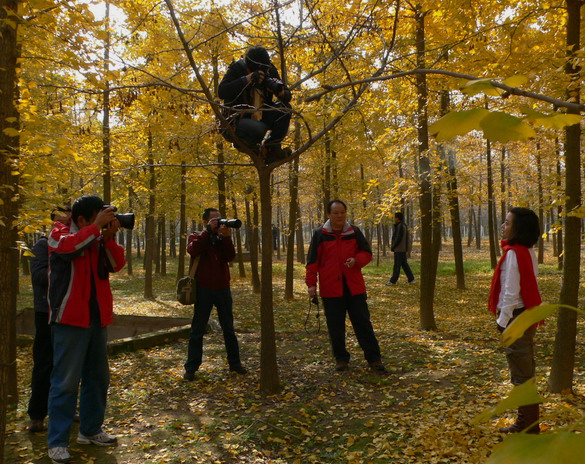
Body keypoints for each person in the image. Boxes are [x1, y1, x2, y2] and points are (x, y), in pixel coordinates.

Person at [46, 195, 126, 464]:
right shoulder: (61, 233)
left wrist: (109, 238)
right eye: (100, 216)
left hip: (97, 319)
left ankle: (90, 430)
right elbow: (65, 249)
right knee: (65, 383)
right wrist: (94, 230)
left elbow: (117, 265)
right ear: (82, 219)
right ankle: (57, 441)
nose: (105, 220)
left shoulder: (96, 238)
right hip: (70, 319)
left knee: (97, 378)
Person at [305, 200, 385, 372]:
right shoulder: (320, 234)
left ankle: (374, 359)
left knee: (363, 324)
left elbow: (366, 253)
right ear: (328, 214)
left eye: (342, 212)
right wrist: (311, 284)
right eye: (336, 213)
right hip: (331, 289)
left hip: (354, 288)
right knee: (335, 327)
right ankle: (341, 359)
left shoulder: (354, 232)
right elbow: (312, 262)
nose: (339, 216)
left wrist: (356, 261)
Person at [488, 207, 542, 434]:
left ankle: (527, 426)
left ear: (519, 229)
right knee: (525, 369)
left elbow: (511, 292)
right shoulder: (526, 251)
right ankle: (528, 423)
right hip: (527, 316)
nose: (503, 225)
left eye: (508, 222)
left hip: (516, 318)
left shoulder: (513, 253)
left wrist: (503, 322)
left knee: (522, 374)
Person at [183, 208, 246, 380]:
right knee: (197, 330)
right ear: (205, 221)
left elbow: (230, 256)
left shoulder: (222, 238)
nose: (219, 222)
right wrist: (208, 232)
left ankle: (235, 364)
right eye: (214, 220)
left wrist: (225, 237)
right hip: (203, 289)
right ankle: (191, 368)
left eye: (220, 219)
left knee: (229, 328)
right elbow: (193, 250)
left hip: (222, 289)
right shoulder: (196, 236)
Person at [27, 207, 71, 433]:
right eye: (61, 215)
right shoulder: (42, 245)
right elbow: (37, 276)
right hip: (45, 313)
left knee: (67, 365)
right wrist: (61, 268)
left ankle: (64, 410)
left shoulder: (73, 244)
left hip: (67, 312)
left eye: (69, 214)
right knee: (44, 364)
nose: (66, 218)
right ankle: (37, 415)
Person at [218, 46, 292, 164]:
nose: (264, 73)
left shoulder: (270, 70)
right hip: (237, 120)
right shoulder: (237, 68)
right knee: (258, 129)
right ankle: (249, 146)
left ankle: (271, 149)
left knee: (285, 109)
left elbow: (288, 96)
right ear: (249, 68)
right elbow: (222, 92)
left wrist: (278, 90)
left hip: (262, 115)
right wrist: (247, 79)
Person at [385, 212, 415, 285]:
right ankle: (411, 279)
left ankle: (393, 281)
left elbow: (398, 238)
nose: (394, 219)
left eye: (395, 217)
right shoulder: (403, 225)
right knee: (404, 264)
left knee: (397, 265)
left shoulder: (400, 226)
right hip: (402, 249)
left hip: (399, 249)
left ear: (398, 218)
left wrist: (393, 247)